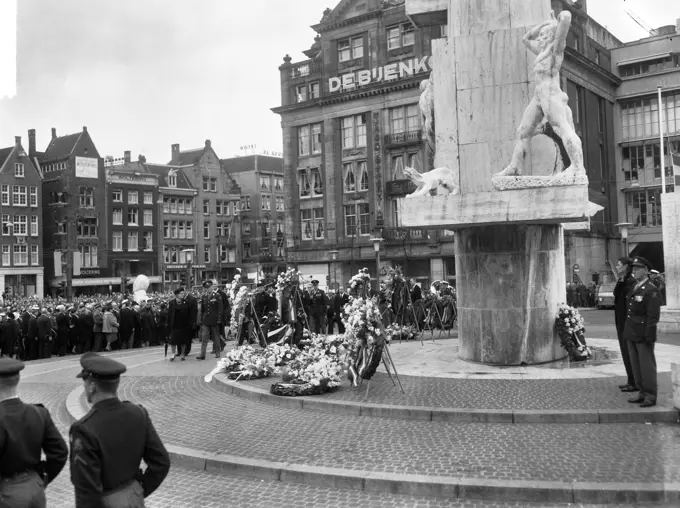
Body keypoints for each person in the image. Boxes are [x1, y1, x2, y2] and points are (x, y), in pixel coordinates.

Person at [69, 353, 170, 507]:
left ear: (92, 386)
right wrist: (138, 491)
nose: (84, 387)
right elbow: (161, 462)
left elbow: (87, 493)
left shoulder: (83, 429)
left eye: (85, 382)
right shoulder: (138, 413)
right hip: (134, 500)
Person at [497, 10, 584, 177]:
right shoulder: (542, 53)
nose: (539, 38)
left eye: (543, 35)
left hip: (551, 96)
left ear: (552, 36)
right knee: (523, 132)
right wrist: (544, 25)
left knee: (563, 128)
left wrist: (556, 24)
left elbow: (566, 17)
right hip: (539, 97)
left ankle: (578, 168)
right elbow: (526, 38)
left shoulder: (556, 50)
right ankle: (515, 167)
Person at [0, 357, 68, 507]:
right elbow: (60, 452)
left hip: (6, 493)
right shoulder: (39, 412)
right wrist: (41, 477)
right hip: (34, 488)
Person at [622, 257, 662, 408]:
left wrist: (649, 335)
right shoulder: (636, 287)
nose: (634, 271)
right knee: (636, 365)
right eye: (633, 268)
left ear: (646, 270)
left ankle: (650, 395)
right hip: (632, 331)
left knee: (646, 366)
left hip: (643, 333)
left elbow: (652, 316)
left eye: (638, 268)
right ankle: (642, 392)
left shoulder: (651, 290)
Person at [613, 257, 637, 393]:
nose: (617, 267)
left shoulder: (630, 282)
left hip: (627, 322)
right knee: (624, 351)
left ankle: (634, 381)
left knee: (630, 352)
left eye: (619, 265)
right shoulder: (622, 280)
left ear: (626, 266)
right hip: (620, 321)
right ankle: (630, 379)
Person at [196, 280, 223, 360]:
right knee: (204, 337)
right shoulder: (204, 296)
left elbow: (220, 309)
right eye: (206, 288)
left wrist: (219, 319)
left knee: (216, 337)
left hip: (214, 319)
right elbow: (203, 310)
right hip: (206, 320)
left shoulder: (217, 295)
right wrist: (201, 319)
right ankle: (202, 354)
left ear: (212, 287)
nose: (208, 289)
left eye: (209, 287)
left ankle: (217, 352)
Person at [168, 287, 194, 360]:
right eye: (181, 293)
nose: (183, 294)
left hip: (184, 324)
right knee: (173, 340)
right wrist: (169, 324)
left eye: (183, 293)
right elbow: (169, 314)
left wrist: (190, 323)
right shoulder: (172, 303)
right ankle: (173, 354)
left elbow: (189, 314)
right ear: (176, 295)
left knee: (183, 340)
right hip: (175, 324)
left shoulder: (186, 302)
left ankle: (183, 354)